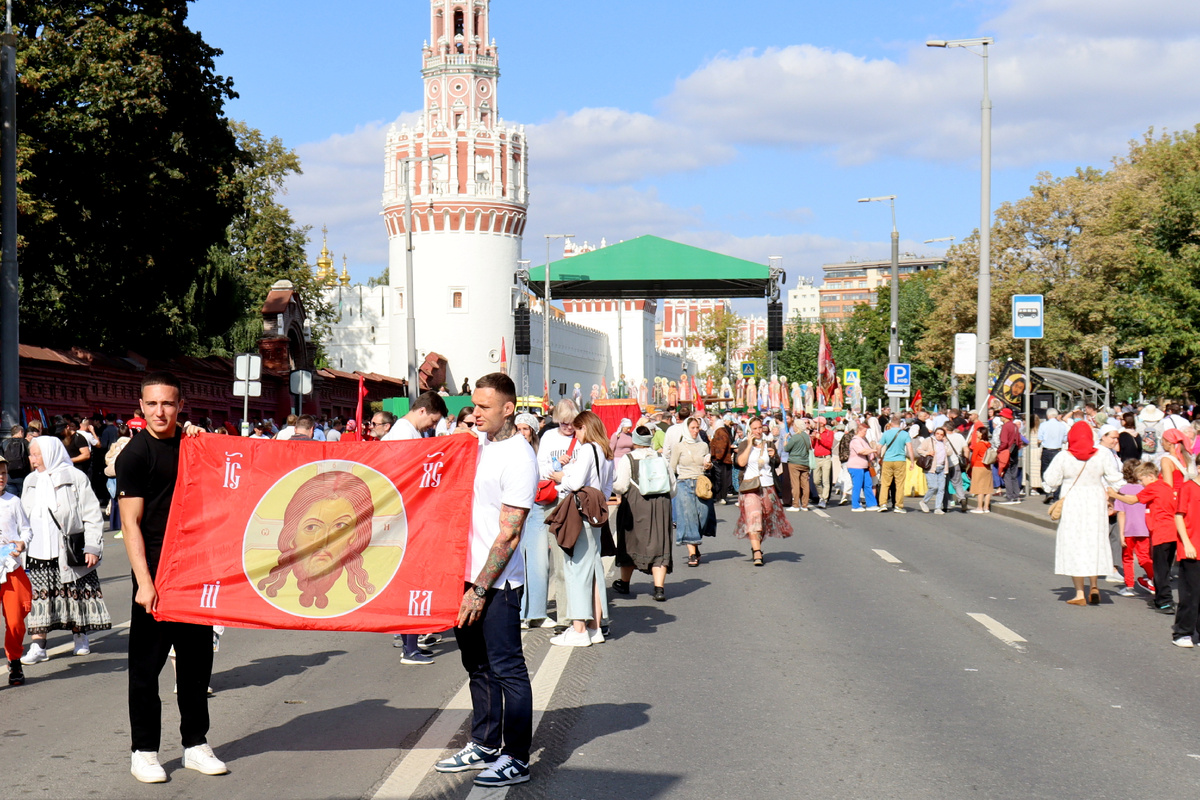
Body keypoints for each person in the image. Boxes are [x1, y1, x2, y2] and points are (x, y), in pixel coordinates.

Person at [116, 371, 227, 783]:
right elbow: (131, 525)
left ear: (180, 406)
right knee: (146, 670)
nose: (160, 411)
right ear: (141, 407)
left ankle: (195, 744)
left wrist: (204, 438)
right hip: (157, 578)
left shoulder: (195, 445)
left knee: (197, 666)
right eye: (152, 404)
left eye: (168, 403)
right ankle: (143, 751)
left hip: (196, 572)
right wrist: (145, 583)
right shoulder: (135, 455)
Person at [435, 373, 537, 788]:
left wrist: (480, 589)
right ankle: (483, 742)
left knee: (507, 669)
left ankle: (516, 756)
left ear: (508, 409)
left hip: (496, 584)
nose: (474, 414)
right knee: (476, 665)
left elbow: (509, 532)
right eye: (473, 406)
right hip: (463, 573)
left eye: (483, 408)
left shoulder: (519, 456)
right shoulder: (477, 445)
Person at [18, 434, 110, 666]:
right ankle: (38, 646)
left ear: (50, 453)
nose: (33, 459)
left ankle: (80, 636)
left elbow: (91, 514)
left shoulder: (75, 477)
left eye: (37, 454)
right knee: (40, 599)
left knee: (74, 594)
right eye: (31, 454)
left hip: (67, 549)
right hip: (37, 551)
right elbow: (23, 518)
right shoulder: (31, 481)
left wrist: (92, 547)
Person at [1043, 421, 1126, 606]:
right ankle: (1094, 585)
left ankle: (1080, 593)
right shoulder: (1102, 454)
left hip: (1073, 502)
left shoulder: (1064, 456)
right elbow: (1115, 479)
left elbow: (1050, 481)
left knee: (1075, 544)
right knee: (1094, 541)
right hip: (1096, 501)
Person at [550, 410, 614, 648]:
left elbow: (575, 483)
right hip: (596, 514)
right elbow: (609, 486)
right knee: (594, 571)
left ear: (585, 428)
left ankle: (578, 629)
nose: (575, 434)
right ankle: (595, 627)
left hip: (581, 513)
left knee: (576, 570)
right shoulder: (607, 452)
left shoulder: (588, 449)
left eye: (577, 429)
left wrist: (560, 479)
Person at [612, 425, 675, 601]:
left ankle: (625, 583)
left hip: (635, 504)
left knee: (631, 541)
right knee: (660, 543)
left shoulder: (628, 459)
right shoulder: (662, 458)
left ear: (635, 441)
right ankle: (659, 588)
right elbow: (673, 487)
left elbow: (622, 485)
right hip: (661, 505)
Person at [734, 417, 792, 566]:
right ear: (749, 430)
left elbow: (776, 463)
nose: (758, 431)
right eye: (754, 429)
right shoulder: (744, 444)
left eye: (760, 428)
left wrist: (773, 457)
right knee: (754, 517)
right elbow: (740, 463)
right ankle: (757, 552)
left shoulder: (769, 444)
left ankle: (756, 543)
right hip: (750, 487)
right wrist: (749, 445)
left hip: (767, 486)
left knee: (764, 518)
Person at [514, 413, 551, 627]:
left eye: (525, 429)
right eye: (518, 428)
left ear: (533, 432)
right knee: (517, 561)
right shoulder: (509, 452)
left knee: (539, 562)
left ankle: (537, 612)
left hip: (537, 507)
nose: (521, 432)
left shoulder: (540, 453)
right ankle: (519, 613)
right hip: (515, 508)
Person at [0, 460, 33, 685]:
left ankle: (14, 660)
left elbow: (27, 529)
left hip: (10, 567)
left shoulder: (13, 501)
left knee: (15, 622)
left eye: (3, 473)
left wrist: (21, 544)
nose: (1, 477)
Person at [670, 416, 715, 568]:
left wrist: (708, 466)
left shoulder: (703, 446)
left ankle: (694, 543)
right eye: (692, 428)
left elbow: (707, 465)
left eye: (697, 428)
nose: (695, 431)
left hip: (701, 483)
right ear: (686, 429)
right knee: (688, 517)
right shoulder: (679, 447)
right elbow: (672, 466)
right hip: (684, 482)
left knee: (703, 515)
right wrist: (670, 486)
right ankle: (692, 553)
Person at [1113, 460, 1156, 598]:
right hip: (1144, 528)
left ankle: (1129, 586)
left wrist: (1121, 534)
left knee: (1127, 558)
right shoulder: (1145, 489)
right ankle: (1154, 580)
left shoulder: (1123, 491)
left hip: (1128, 529)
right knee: (1144, 557)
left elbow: (1121, 513)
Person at [1170, 469, 1200, 647]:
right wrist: (1186, 543)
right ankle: (1182, 632)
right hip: (1192, 548)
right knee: (1190, 592)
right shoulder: (1188, 487)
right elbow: (1178, 516)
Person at [877, 417, 914, 512]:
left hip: (888, 460)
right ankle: (898, 505)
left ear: (891, 423)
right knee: (899, 484)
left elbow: (879, 447)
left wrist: (879, 456)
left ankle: (883, 504)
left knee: (885, 483)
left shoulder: (886, 433)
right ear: (900, 424)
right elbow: (910, 448)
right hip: (900, 460)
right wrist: (912, 462)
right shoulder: (905, 434)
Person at [382, 392, 449, 442]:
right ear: (422, 411)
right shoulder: (403, 431)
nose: (434, 427)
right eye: (433, 421)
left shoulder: (409, 429)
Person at [917, 426, 954, 514]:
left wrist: (946, 443)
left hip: (942, 468)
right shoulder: (929, 440)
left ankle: (938, 508)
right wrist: (927, 453)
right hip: (931, 468)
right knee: (933, 487)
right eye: (937, 434)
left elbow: (949, 453)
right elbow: (919, 449)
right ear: (934, 433)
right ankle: (924, 502)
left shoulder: (944, 443)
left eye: (941, 434)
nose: (939, 436)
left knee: (941, 489)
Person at [846, 422, 880, 511]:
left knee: (868, 484)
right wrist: (873, 450)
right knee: (857, 485)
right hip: (856, 466)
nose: (866, 433)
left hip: (864, 466)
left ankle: (871, 504)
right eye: (864, 431)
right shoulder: (855, 441)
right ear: (859, 431)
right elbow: (861, 451)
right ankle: (855, 505)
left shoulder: (862, 440)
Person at [783, 417, 812, 512]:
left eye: (794, 425)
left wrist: (785, 440)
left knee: (795, 484)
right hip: (805, 462)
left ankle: (796, 504)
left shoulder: (795, 437)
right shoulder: (807, 436)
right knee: (805, 484)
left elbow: (787, 449)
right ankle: (805, 504)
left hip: (794, 462)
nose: (793, 427)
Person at [996, 408, 1023, 504]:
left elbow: (1004, 442)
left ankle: (1010, 496)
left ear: (1005, 417)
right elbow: (1019, 441)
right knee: (1014, 475)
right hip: (1014, 451)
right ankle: (1016, 495)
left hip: (1006, 452)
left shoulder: (1006, 427)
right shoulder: (1015, 426)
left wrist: (999, 450)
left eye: (1001, 416)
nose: (1000, 417)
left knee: (1006, 474)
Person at [708, 416, 735, 505]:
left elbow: (721, 446)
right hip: (723, 460)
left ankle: (721, 497)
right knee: (721, 479)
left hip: (722, 460)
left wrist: (717, 457)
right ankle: (720, 496)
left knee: (721, 479)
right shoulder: (722, 432)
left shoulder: (720, 432)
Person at [968, 426, 995, 514]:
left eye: (978, 432)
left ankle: (980, 507)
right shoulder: (988, 444)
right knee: (987, 488)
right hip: (987, 467)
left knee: (979, 488)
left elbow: (973, 457)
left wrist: (971, 466)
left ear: (981, 434)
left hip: (978, 466)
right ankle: (986, 507)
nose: (976, 434)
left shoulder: (979, 444)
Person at [811, 416, 835, 509]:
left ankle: (824, 499)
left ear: (821, 424)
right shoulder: (815, 432)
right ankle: (821, 495)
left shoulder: (829, 433)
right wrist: (813, 439)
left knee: (825, 480)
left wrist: (820, 438)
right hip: (817, 458)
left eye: (816, 423)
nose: (814, 425)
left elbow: (829, 445)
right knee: (816, 480)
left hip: (826, 458)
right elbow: (813, 446)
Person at [3, 424, 30, 498]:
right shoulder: (25, 442)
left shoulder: (5, 443)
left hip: (9, 476)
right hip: (23, 475)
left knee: (11, 498)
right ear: (21, 432)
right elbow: (30, 458)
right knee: (24, 499)